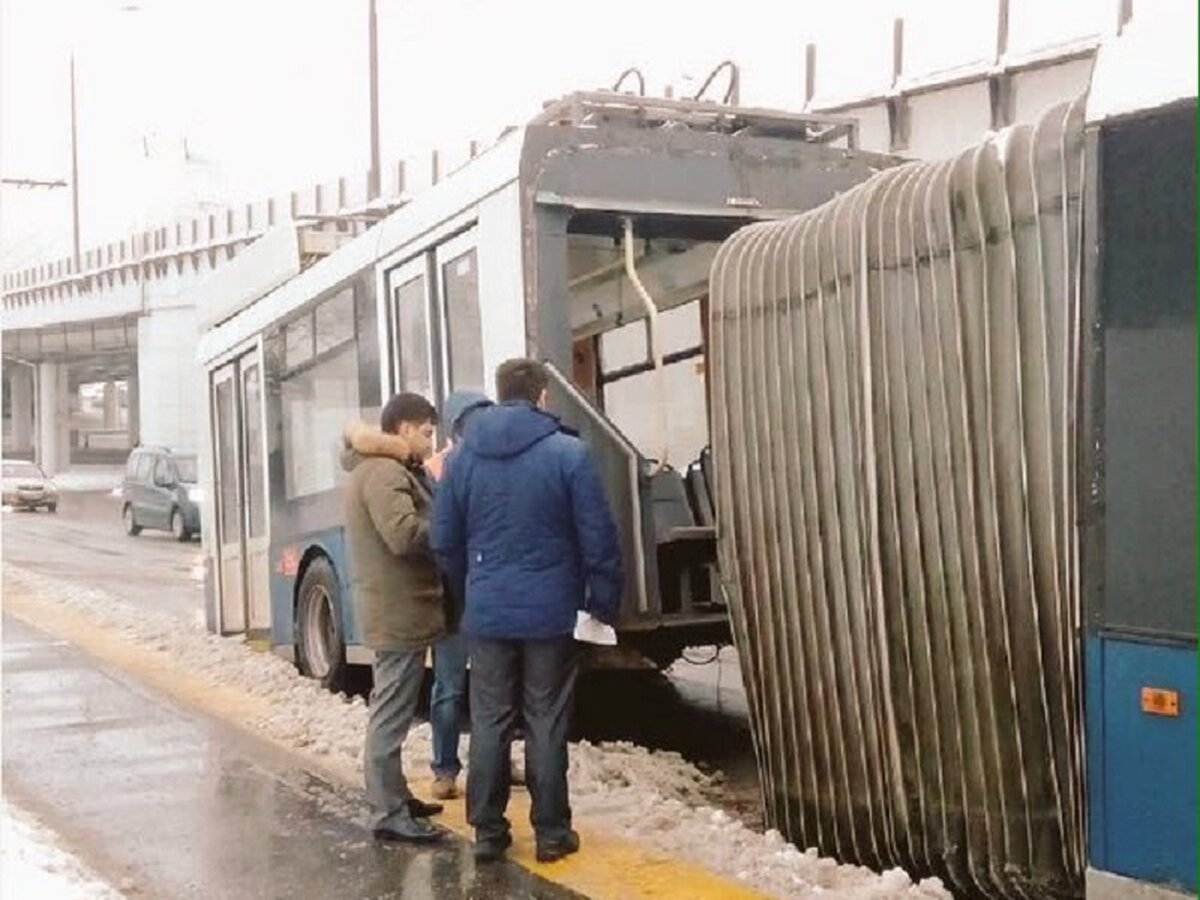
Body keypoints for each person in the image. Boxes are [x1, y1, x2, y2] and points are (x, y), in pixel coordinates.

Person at [431, 358, 623, 864]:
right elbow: (598, 539)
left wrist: (469, 591)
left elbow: (444, 539)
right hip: (550, 613)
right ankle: (552, 833)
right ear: (542, 397)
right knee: (545, 718)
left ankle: (489, 831)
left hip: (488, 612)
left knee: (490, 719)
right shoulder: (569, 454)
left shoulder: (463, 460)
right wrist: (603, 603)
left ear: (498, 395)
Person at [341, 392, 447, 845]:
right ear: (404, 429)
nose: (430, 440)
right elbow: (402, 535)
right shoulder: (384, 473)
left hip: (400, 606)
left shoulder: (383, 469)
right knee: (391, 713)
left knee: (395, 708)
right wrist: (450, 528)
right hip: (398, 609)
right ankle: (387, 810)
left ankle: (396, 795)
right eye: (426, 432)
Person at [424, 388, 491, 801]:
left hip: (460, 595)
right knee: (475, 688)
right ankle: (449, 767)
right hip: (464, 595)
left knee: (457, 687)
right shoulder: (442, 470)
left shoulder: (440, 469)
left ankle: (448, 770)